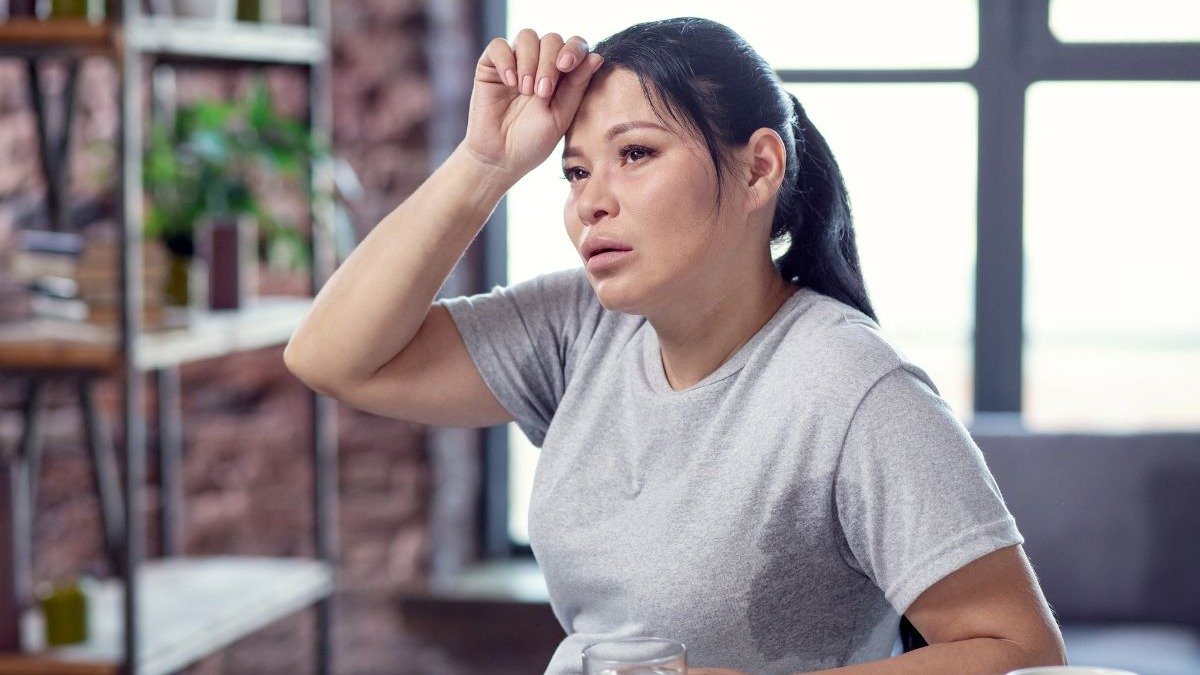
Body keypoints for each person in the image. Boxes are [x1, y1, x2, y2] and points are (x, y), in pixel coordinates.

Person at [285, 17, 1066, 675]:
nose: (591, 199)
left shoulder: (853, 386)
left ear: (759, 168)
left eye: (636, 154)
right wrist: (485, 164)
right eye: (575, 170)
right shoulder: (582, 325)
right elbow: (331, 357)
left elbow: (1022, 651)